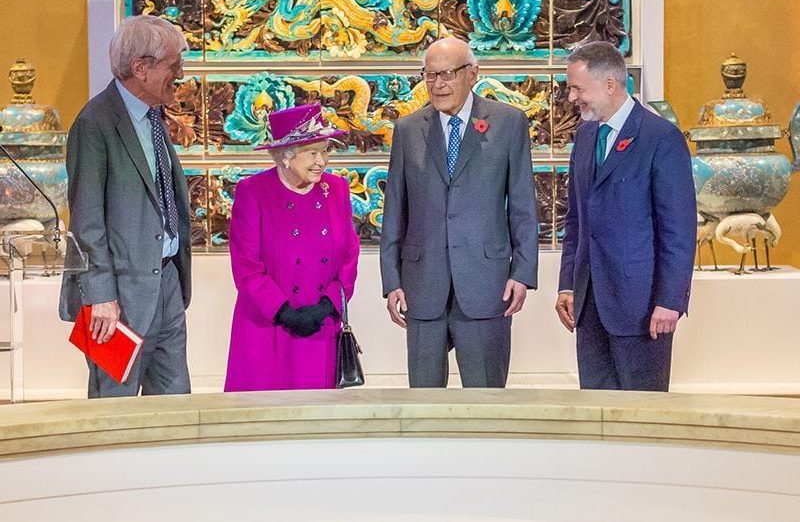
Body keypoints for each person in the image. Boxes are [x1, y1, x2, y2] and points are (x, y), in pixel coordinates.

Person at [380, 37, 538, 388]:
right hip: (422, 287)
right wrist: (391, 281)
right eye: (430, 75)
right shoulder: (408, 130)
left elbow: (524, 206)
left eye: (448, 74)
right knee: (424, 402)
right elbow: (395, 211)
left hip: (487, 284)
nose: (438, 84)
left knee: (485, 402)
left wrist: (523, 272)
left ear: (473, 73)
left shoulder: (508, 123)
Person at [59, 15, 192, 397]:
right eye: (173, 65)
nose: (180, 74)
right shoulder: (95, 123)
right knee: (114, 410)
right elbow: (85, 221)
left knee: (173, 405)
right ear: (141, 68)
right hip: (115, 297)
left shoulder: (153, 116)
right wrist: (100, 295)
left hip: (165, 283)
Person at [555, 41, 696, 391]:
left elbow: (678, 230)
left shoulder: (660, 138)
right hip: (589, 307)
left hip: (643, 309)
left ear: (609, 85)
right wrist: (568, 285)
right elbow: (576, 223)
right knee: (597, 414)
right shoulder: (586, 136)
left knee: (643, 417)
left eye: (577, 88)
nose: (572, 98)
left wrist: (669, 302)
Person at [224, 103, 359, 391]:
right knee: (264, 418)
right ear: (285, 156)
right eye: (313, 152)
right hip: (268, 327)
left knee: (317, 420)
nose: (321, 161)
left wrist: (327, 306)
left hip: (320, 327)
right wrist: (284, 312)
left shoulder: (336, 189)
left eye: (325, 151)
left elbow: (349, 254)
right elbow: (246, 266)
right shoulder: (253, 192)